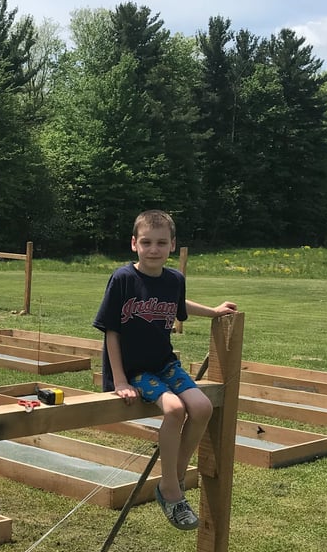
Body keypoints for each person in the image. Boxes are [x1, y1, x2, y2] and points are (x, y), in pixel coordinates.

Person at [93, 210, 237, 531]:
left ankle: (173, 479)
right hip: (134, 370)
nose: (153, 249)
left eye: (161, 242)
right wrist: (118, 379)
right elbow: (111, 331)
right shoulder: (123, 279)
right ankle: (172, 488)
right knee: (173, 409)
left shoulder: (175, 280)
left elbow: (180, 307)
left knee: (201, 407)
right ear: (134, 244)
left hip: (164, 363)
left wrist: (213, 311)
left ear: (173, 245)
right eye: (146, 242)